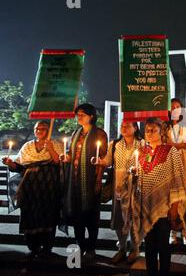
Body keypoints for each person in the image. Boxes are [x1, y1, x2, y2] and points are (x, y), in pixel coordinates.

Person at [126, 117, 186, 276]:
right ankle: (152, 274)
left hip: (164, 209)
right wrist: (132, 173)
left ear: (162, 132)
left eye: (154, 130)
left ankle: (164, 274)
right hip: (145, 208)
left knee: (163, 245)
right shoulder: (140, 151)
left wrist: (174, 209)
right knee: (150, 246)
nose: (150, 133)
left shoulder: (170, 151)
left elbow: (177, 180)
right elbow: (133, 174)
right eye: (147, 130)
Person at [2, 121, 63, 260]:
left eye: (43, 129)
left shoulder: (56, 144)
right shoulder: (28, 146)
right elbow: (19, 166)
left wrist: (51, 149)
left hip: (49, 188)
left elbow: (59, 162)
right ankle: (33, 247)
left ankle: (47, 247)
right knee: (30, 214)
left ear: (48, 130)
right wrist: (10, 163)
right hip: (30, 188)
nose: (40, 131)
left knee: (48, 215)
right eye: (37, 129)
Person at [61, 103, 108, 260]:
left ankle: (91, 247)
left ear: (91, 116)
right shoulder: (76, 133)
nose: (79, 117)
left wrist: (99, 179)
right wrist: (67, 157)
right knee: (77, 217)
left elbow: (103, 158)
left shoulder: (100, 134)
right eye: (77, 114)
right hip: (74, 182)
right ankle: (80, 245)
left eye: (82, 114)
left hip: (90, 181)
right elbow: (72, 154)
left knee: (91, 217)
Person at [98, 121, 144, 264]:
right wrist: (98, 161)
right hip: (119, 188)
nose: (123, 128)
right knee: (119, 219)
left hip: (136, 188)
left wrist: (139, 169)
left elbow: (148, 163)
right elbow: (107, 161)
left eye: (127, 125)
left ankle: (135, 249)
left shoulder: (142, 144)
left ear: (135, 128)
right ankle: (122, 248)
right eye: (122, 126)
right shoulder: (115, 145)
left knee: (135, 219)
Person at [166, 98, 186, 246]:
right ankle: (173, 229)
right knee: (174, 196)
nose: (175, 109)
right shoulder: (165, 126)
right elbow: (165, 144)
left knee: (185, 195)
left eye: (178, 106)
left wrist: (176, 145)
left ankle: (184, 229)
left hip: (185, 160)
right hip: (170, 160)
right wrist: (179, 145)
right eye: (173, 107)